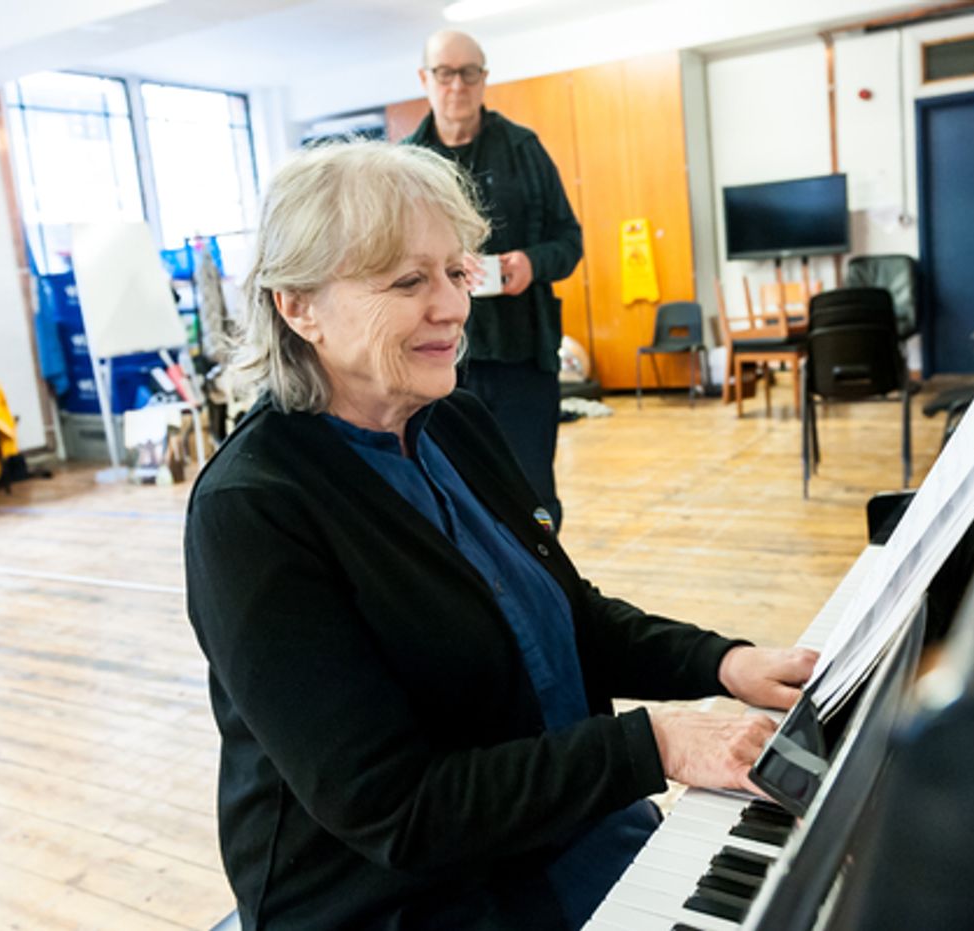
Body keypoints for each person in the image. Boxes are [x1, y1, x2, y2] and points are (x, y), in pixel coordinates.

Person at [184, 140, 817, 931]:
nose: (451, 306)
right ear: (298, 305)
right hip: (397, 898)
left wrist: (723, 660)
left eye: (456, 271)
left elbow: (564, 613)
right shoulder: (252, 508)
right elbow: (395, 811)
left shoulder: (455, 419)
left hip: (550, 826)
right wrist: (651, 744)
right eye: (408, 280)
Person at [403, 29, 581, 529]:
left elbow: (570, 241)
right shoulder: (405, 164)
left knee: (532, 494)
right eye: (445, 73)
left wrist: (532, 263)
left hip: (523, 356)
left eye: (468, 73)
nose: (457, 85)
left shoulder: (524, 149)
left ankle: (547, 590)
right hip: (439, 361)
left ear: (484, 79)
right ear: (425, 79)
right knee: (451, 489)